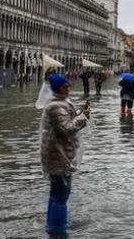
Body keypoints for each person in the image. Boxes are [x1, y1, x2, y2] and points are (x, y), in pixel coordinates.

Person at [41, 73, 91, 236]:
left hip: (59, 156)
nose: (68, 88)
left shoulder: (58, 104)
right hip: (59, 158)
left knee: (56, 194)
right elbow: (66, 129)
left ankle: (52, 226)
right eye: (65, 86)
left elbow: (66, 121)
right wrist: (83, 117)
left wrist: (79, 113)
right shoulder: (56, 106)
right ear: (57, 88)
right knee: (61, 196)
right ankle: (58, 230)